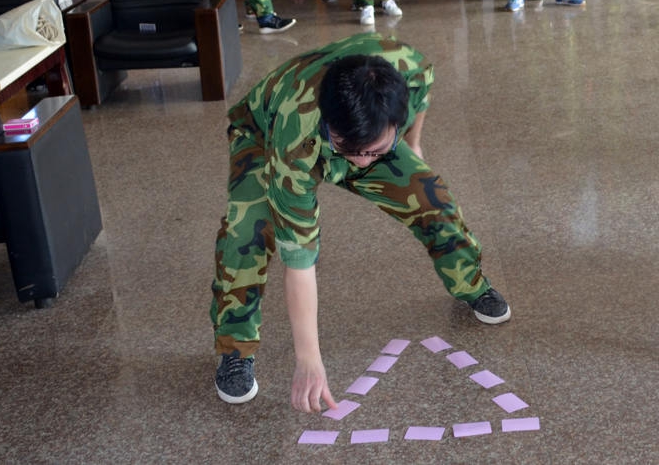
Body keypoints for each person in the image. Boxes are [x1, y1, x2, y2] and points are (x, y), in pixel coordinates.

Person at [210, 33, 512, 409]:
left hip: (361, 132)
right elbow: (300, 261)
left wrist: (412, 145)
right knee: (247, 233)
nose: (362, 164)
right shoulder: (295, 136)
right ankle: (234, 347)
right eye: (353, 154)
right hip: (263, 136)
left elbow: (420, 97)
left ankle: (471, 284)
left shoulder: (406, 67)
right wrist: (308, 358)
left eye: (374, 152)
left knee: (432, 197)